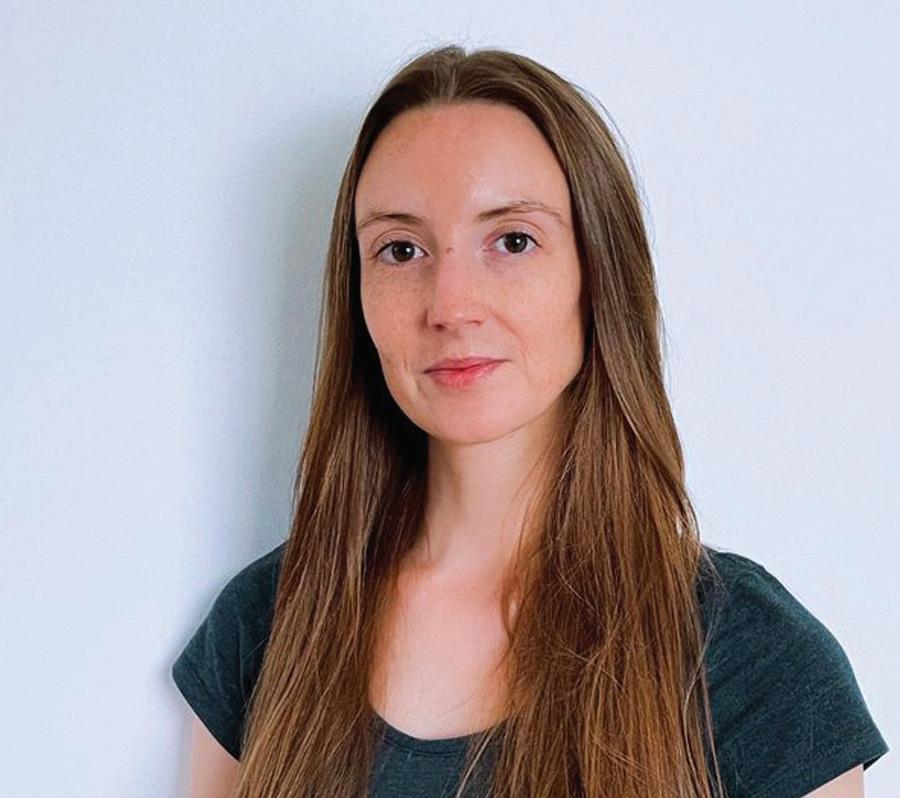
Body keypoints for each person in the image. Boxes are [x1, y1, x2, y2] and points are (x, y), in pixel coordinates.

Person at [170, 44, 889, 797]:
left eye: (513, 240)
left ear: (598, 275)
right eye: (401, 249)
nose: (451, 306)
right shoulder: (266, 625)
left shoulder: (751, 660)